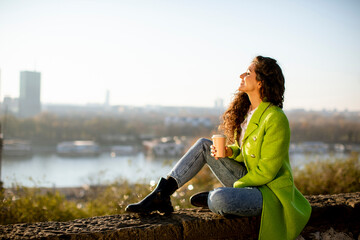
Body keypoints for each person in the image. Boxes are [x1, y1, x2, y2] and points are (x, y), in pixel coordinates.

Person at [126, 56, 312, 240]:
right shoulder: (249, 114)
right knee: (203, 145)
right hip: (248, 181)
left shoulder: (275, 118)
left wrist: (237, 188)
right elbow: (248, 153)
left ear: (261, 82)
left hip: (269, 192)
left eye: (248, 73)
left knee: (220, 199)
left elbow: (267, 172)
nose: (241, 75)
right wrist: (231, 152)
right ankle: (162, 194)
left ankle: (215, 198)